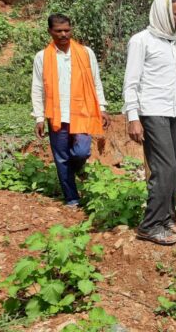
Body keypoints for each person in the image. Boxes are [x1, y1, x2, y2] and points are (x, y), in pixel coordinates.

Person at [123, 0, 176, 246]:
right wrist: (133, 117)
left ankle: (164, 219)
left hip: (175, 112)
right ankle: (149, 225)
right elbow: (131, 82)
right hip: (152, 112)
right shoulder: (141, 41)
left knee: (174, 170)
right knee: (164, 169)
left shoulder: (174, 43)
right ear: (163, 13)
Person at [31, 14, 109, 206]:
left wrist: (101, 107)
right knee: (61, 158)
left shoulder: (85, 52)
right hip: (56, 114)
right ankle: (72, 198)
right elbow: (37, 87)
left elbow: (95, 81)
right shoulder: (42, 57)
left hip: (83, 111)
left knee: (81, 151)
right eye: (59, 31)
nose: (64, 34)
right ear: (50, 31)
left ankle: (77, 168)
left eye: (67, 30)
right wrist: (39, 117)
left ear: (71, 30)